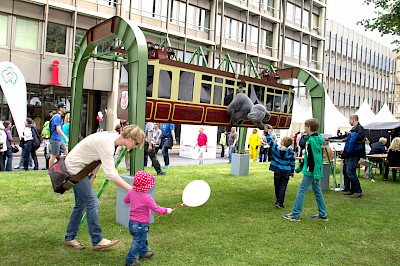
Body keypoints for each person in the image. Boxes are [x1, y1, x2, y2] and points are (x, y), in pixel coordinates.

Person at [64, 124, 145, 250]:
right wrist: (131, 189)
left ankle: (70, 237)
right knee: (92, 202)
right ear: (129, 138)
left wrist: (92, 176)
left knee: (81, 204)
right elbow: (111, 175)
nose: (136, 146)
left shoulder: (112, 140)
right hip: (75, 169)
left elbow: (98, 158)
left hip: (80, 169)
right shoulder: (107, 144)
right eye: (136, 143)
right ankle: (97, 240)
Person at [282, 118, 328, 222]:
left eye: (305, 126)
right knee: (317, 191)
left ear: (309, 128)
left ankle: (295, 214)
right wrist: (298, 169)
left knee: (301, 190)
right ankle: (322, 214)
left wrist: (314, 174)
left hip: (311, 171)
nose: (304, 128)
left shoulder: (311, 141)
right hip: (315, 170)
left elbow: (313, 159)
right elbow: (310, 158)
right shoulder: (318, 139)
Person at [124, 170, 172, 266]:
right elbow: (156, 208)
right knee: (137, 242)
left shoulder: (131, 192)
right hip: (141, 225)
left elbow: (126, 200)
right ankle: (130, 261)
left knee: (143, 238)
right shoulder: (147, 197)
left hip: (132, 223)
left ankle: (143, 252)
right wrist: (166, 210)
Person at [266, 130, 295, 209]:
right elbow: (292, 162)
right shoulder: (290, 151)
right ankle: (280, 202)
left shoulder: (276, 149)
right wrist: (292, 171)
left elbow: (270, 142)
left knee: (277, 185)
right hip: (286, 171)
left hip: (277, 170)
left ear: (282, 142)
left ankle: (278, 200)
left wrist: (267, 133)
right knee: (283, 186)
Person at [341, 114, 365, 198]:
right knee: (348, 171)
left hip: (353, 154)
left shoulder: (359, 129)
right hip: (350, 154)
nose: (349, 122)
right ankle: (350, 189)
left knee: (350, 172)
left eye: (349, 120)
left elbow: (360, 139)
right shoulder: (354, 129)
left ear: (353, 119)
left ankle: (358, 191)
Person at [49, 102, 69, 168]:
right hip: (55, 139)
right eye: (64, 108)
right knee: (54, 155)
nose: (65, 109)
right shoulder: (57, 117)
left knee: (67, 153)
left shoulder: (59, 117)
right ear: (60, 109)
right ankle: (50, 171)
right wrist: (65, 137)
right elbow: (58, 129)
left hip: (59, 139)